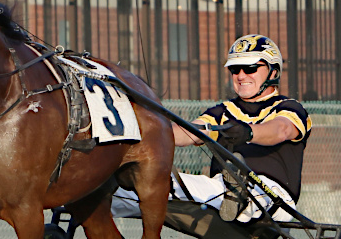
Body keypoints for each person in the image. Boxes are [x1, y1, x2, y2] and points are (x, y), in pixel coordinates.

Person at [113, 34, 312, 223]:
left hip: (274, 197)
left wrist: (248, 132)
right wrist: (144, 133)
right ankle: (100, 200)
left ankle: (240, 196)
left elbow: (281, 130)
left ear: (273, 72)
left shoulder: (290, 108)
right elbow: (192, 132)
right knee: (148, 185)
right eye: (235, 70)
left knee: (239, 192)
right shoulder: (224, 111)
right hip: (219, 191)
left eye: (249, 68)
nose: (241, 76)